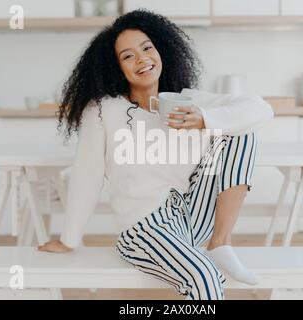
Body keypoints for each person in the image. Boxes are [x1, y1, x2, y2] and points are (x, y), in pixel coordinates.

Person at [38, 9, 273, 300]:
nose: (142, 59)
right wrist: (69, 240)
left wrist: (205, 118)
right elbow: (87, 175)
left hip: (191, 218)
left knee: (241, 128)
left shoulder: (190, 102)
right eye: (127, 56)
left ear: (162, 49)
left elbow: (261, 110)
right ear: (116, 68)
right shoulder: (103, 110)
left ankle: (221, 243)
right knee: (205, 276)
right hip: (143, 229)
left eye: (147, 48)